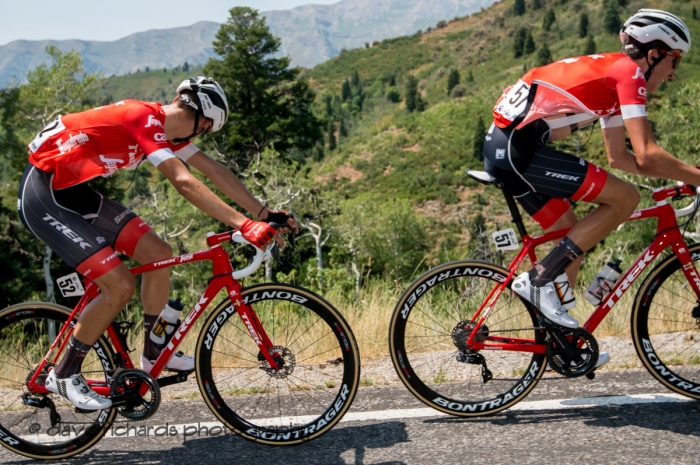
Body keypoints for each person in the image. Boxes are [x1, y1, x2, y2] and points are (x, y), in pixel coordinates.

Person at [17, 76, 297, 410]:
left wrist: (264, 213)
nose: (202, 136)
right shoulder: (143, 118)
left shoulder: (162, 128)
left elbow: (214, 171)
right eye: (206, 131)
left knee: (159, 253)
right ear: (204, 123)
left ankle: (153, 355)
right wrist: (244, 224)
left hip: (73, 194)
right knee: (119, 286)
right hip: (44, 197)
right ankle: (64, 373)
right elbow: (183, 180)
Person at [482, 9, 693, 355]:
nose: (673, 73)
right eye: (675, 61)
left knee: (572, 232)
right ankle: (539, 282)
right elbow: (648, 154)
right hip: (518, 149)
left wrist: (681, 178)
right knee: (624, 200)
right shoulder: (629, 75)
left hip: (504, 148)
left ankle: (560, 344)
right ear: (655, 53)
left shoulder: (615, 75)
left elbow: (622, 159)